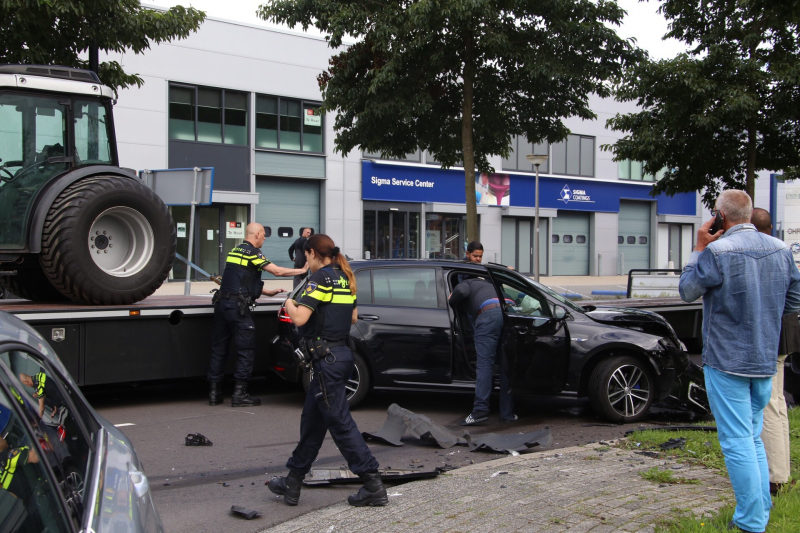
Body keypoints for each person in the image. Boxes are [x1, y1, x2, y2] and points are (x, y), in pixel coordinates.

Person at [679, 190, 800, 533]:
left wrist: (698, 249)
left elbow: (687, 290)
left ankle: (749, 523)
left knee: (736, 442)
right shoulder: (780, 249)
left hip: (727, 361)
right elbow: (794, 301)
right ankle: (759, 512)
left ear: (720, 216)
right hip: (763, 359)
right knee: (752, 437)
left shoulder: (717, 252)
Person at [268, 234, 387, 508]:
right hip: (342, 358)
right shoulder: (345, 277)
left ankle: (372, 483)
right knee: (312, 422)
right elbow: (353, 317)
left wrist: (288, 301)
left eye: (306, 257)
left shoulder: (320, 278)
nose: (305, 262)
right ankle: (293, 481)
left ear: (311, 253)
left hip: (326, 363)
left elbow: (299, 318)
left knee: (340, 423)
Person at [208, 222, 307, 407]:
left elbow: (241, 279)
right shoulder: (253, 252)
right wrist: (301, 270)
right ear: (258, 234)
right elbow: (276, 271)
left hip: (222, 305)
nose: (264, 238)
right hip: (238, 308)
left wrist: (268, 292)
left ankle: (214, 394)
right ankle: (240, 394)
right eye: (264, 235)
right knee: (246, 349)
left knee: (218, 349)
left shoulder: (234, 251)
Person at [751, 207, 800, 495]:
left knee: (769, 401)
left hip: (768, 332)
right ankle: (780, 471)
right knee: (777, 401)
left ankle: (775, 475)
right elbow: (795, 296)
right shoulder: (783, 250)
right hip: (784, 329)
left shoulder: (759, 251)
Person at [449, 274, 515, 425]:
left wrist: (451, 299)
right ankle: (507, 414)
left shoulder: (468, 282)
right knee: (506, 368)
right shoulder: (491, 285)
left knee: (485, 364)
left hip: (488, 315)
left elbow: (462, 293)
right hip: (509, 314)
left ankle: (480, 410)